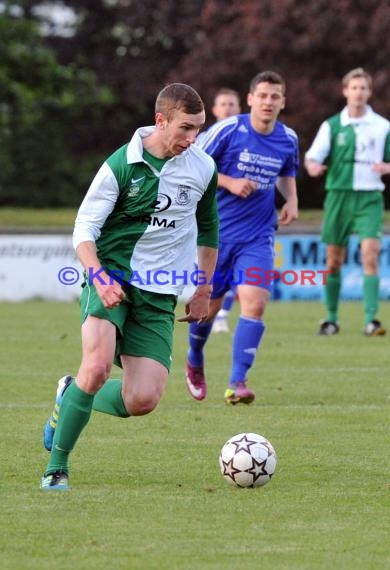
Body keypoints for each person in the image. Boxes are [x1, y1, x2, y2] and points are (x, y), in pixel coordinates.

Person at [40, 83, 219, 490]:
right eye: (186, 128)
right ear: (161, 121)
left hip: (160, 291)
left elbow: (209, 229)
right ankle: (57, 467)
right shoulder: (121, 164)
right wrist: (98, 277)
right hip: (112, 277)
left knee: (142, 400)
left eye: (199, 129)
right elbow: (84, 230)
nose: (192, 139)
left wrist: (204, 288)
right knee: (98, 366)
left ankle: (69, 395)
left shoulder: (203, 167)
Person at [185, 71, 299, 404]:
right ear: (250, 99)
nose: (268, 102)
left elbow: (287, 172)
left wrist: (291, 198)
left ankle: (238, 382)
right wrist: (230, 182)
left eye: (275, 96)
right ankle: (194, 358)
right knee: (207, 309)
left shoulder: (288, 138)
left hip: (258, 235)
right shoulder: (229, 129)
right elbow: (193, 164)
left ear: (282, 102)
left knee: (255, 302)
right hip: (216, 237)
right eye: (262, 95)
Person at [305, 67, 390, 336]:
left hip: (369, 198)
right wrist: (313, 168)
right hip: (339, 196)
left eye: (363, 88)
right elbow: (311, 158)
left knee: (370, 255)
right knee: (333, 260)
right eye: (354, 88)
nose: (359, 93)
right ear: (345, 91)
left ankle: (371, 320)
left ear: (369, 92)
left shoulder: (383, 126)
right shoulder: (332, 125)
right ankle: (331, 318)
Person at [207, 89, 242, 334]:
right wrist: (230, 182)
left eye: (232, 104)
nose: (228, 108)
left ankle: (223, 314)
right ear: (214, 109)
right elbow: (198, 170)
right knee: (216, 269)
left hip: (245, 215)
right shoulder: (208, 137)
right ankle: (212, 311)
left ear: (239, 108)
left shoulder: (248, 137)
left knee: (237, 270)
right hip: (215, 213)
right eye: (223, 104)